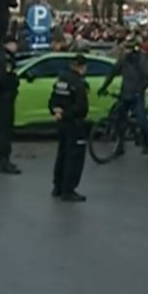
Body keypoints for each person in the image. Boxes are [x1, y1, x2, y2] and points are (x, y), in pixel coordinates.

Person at [99, 40, 148, 155]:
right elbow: (112, 73)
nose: (126, 51)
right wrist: (103, 87)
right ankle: (120, 146)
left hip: (137, 94)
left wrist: (140, 90)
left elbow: (147, 76)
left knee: (141, 120)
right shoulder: (124, 59)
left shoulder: (141, 59)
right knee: (120, 119)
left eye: (128, 48)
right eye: (125, 48)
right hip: (125, 93)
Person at [49, 54, 91, 202]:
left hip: (62, 124)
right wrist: (66, 114)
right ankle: (68, 189)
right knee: (74, 157)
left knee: (62, 154)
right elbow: (81, 108)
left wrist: (56, 111)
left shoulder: (61, 81)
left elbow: (52, 100)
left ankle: (58, 186)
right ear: (81, 67)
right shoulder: (79, 83)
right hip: (74, 124)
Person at [0, 36, 21, 175]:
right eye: (14, 44)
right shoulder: (6, 59)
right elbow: (2, 78)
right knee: (5, 130)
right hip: (5, 97)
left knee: (0, 129)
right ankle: (4, 161)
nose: (16, 47)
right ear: (8, 44)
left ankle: (0, 160)